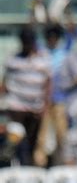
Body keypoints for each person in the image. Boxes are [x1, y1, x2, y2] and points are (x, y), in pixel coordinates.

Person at [2, 26, 51, 165]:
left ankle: (28, 168)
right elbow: (5, 81)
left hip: (35, 108)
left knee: (32, 142)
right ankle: (14, 165)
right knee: (15, 139)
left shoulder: (43, 59)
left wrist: (45, 105)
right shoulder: (13, 59)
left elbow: (48, 83)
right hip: (16, 107)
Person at [34, 23, 71, 166]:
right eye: (49, 37)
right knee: (42, 136)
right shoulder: (41, 52)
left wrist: (63, 19)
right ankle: (40, 165)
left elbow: (70, 37)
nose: (52, 39)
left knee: (62, 134)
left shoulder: (64, 52)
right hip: (43, 101)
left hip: (60, 100)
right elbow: (34, 32)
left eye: (55, 37)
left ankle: (62, 164)